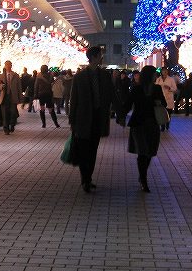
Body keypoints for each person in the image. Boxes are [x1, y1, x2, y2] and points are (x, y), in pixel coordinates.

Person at [69, 46, 114, 192]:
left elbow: (112, 94)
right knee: (84, 150)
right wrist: (72, 121)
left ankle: (88, 178)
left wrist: (120, 112)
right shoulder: (79, 77)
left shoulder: (105, 75)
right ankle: (85, 179)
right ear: (94, 57)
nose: (102, 57)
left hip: (98, 118)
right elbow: (74, 100)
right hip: (83, 119)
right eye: (100, 55)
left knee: (93, 150)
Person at [122, 65, 165, 192]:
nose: (156, 76)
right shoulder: (136, 88)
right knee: (142, 151)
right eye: (154, 74)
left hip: (153, 123)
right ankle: (143, 179)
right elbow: (128, 104)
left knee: (150, 151)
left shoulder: (157, 88)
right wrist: (121, 116)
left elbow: (164, 103)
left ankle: (142, 175)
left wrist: (159, 102)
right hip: (139, 124)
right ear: (149, 75)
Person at [0, 60, 21, 134]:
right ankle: (6, 129)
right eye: (6, 65)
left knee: (13, 112)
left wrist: (20, 97)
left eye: (9, 65)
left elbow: (19, 87)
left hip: (13, 96)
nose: (8, 66)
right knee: (5, 114)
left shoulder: (15, 75)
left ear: (11, 66)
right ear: (5, 66)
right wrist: (1, 86)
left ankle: (12, 124)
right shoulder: (1, 76)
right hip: (4, 97)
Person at [155, 66, 177, 131]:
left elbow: (175, 88)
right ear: (161, 72)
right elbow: (155, 87)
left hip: (169, 98)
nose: (164, 72)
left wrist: (169, 88)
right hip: (161, 98)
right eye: (163, 70)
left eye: (166, 70)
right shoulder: (159, 79)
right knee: (161, 113)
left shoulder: (171, 79)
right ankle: (162, 126)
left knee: (168, 113)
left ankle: (167, 124)